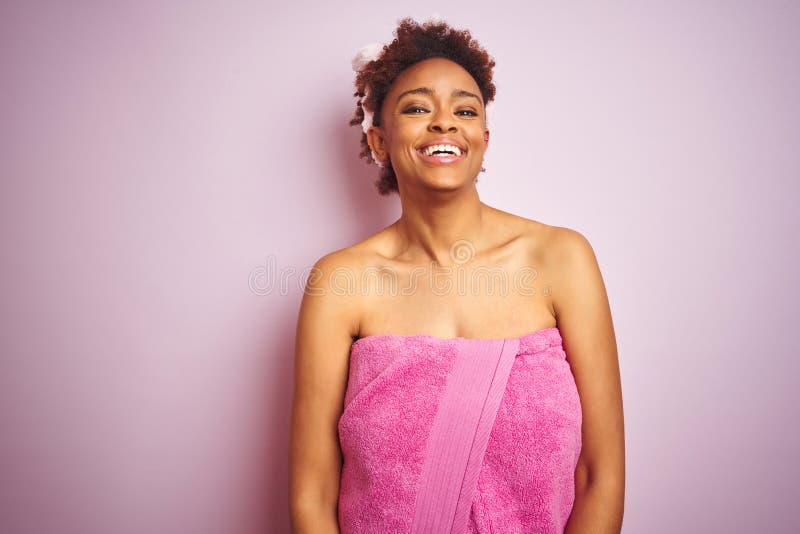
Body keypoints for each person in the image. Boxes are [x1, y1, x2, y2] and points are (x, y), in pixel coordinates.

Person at [289, 16, 625, 534]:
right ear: (378, 141)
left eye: (464, 110)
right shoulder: (339, 283)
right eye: (418, 107)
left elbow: (599, 473)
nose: (445, 122)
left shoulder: (561, 258)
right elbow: (313, 495)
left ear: (483, 141)